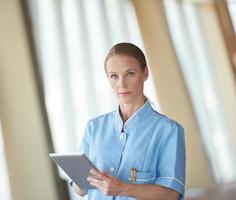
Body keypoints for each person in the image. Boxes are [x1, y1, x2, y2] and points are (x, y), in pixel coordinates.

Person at [72, 42, 186, 200]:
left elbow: (171, 194)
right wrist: (82, 178)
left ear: (145, 73)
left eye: (130, 74)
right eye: (114, 76)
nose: (122, 83)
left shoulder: (169, 130)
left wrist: (122, 188)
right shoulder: (94, 127)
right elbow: (80, 191)